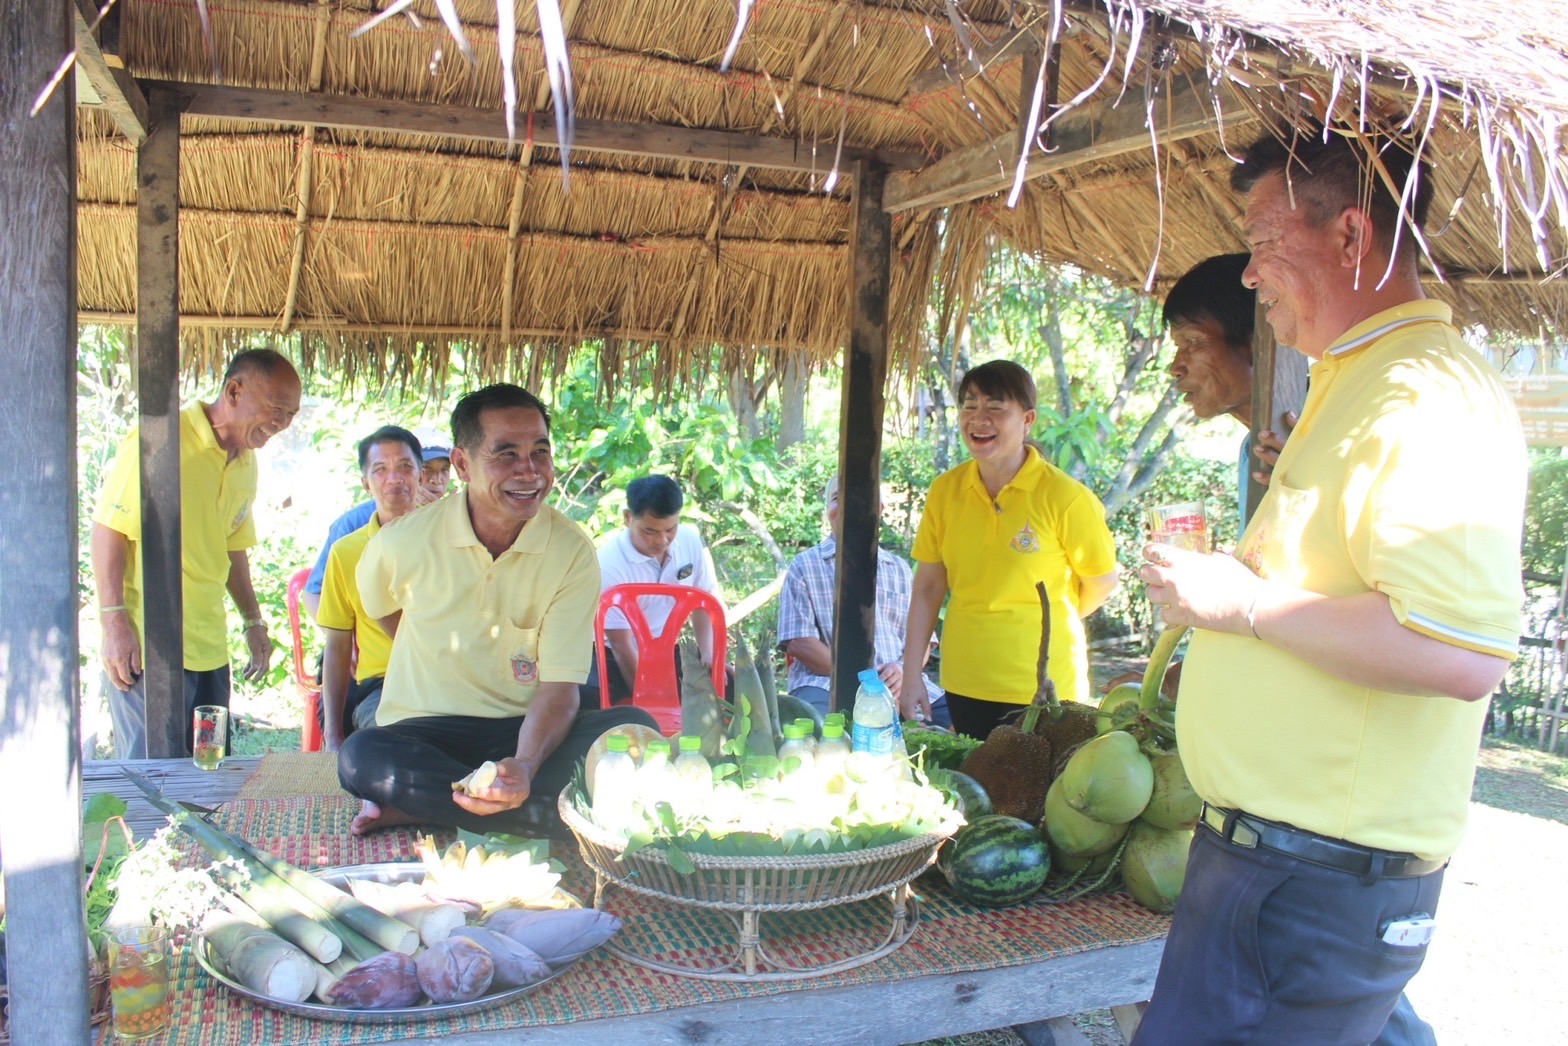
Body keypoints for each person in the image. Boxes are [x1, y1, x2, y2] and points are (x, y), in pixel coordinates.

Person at [1135, 126, 1528, 1045]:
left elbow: (1460, 651)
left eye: (1264, 240)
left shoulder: (1422, 394)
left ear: (1350, 239)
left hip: (1312, 884)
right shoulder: (1352, 381)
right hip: (1274, 873)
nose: (1248, 272)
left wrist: (1242, 606)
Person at [337, 383, 655, 836]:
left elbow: (561, 687)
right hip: (426, 732)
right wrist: (434, 654)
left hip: (523, 732)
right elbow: (381, 609)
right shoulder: (401, 543)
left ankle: (431, 806)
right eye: (505, 454)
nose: (528, 472)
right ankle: (562, 815)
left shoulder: (570, 550)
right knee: (361, 758)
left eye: (539, 452)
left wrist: (523, 766)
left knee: (633, 729)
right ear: (462, 464)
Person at [92, 348, 302, 758]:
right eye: (276, 408)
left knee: (210, 767)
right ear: (234, 391)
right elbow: (109, 530)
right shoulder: (161, 442)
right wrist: (114, 623)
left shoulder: (246, 462)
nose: (281, 424)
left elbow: (232, 547)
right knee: (153, 775)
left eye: (290, 415)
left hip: (211, 653)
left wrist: (253, 620)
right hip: (151, 650)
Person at [900, 360, 1120, 738]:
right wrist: (911, 675)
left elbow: (1101, 583)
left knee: (1046, 794)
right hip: (966, 681)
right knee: (977, 791)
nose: (978, 419)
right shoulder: (945, 491)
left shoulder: (1066, 498)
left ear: (1028, 419)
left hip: (1047, 688)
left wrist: (1045, 621)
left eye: (996, 407)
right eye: (969, 406)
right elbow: (928, 588)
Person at [777, 475, 949, 727]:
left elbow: (923, 637)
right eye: (836, 499)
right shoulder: (805, 566)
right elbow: (799, 643)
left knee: (959, 729)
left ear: (879, 509)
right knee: (822, 734)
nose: (848, 506)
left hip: (899, 683)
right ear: (828, 511)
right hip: (827, 683)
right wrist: (868, 681)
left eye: (862, 499)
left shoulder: (899, 568)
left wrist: (903, 671)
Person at [315, 425, 426, 752]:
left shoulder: (451, 541)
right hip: (382, 687)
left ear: (421, 475)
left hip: (447, 682)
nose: (395, 478)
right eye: (381, 470)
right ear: (366, 484)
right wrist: (333, 735)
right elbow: (337, 645)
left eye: (405, 467)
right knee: (393, 745)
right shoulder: (346, 552)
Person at [1165, 252, 1291, 512]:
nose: (1175, 368)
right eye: (1178, 347)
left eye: (1192, 342)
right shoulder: (1252, 450)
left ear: (1256, 346)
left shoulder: (1323, 432)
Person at [590, 474, 723, 706]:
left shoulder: (690, 541)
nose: (662, 540)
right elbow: (621, 646)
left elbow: (704, 602)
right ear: (628, 518)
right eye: (650, 532)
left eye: (670, 529)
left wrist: (708, 654)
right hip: (614, 656)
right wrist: (651, 699)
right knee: (592, 701)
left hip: (668, 651)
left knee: (729, 692)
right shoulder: (607, 565)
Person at [300, 435, 451, 619]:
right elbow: (313, 593)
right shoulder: (354, 524)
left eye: (444, 470)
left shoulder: (453, 523)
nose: (436, 480)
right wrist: (344, 637)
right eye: (383, 469)